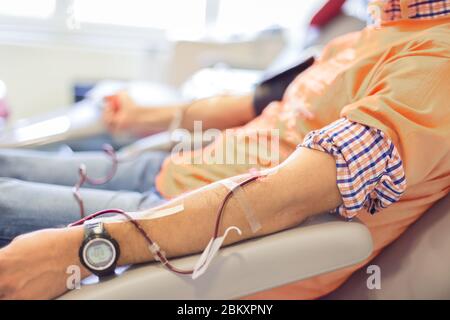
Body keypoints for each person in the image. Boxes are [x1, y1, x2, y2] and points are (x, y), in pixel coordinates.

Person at [0, 0, 449, 299]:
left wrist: (83, 248)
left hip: (185, 224)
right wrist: (149, 118)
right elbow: (256, 105)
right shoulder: (369, 35)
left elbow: (285, 198)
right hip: (174, 172)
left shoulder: (436, 66)